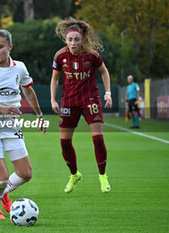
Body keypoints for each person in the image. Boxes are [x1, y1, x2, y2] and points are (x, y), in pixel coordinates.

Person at [0, 29, 45, 219]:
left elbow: (28, 92)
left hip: (10, 124)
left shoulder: (19, 68)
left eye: (0, 47)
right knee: (2, 177)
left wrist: (39, 115)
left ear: (9, 47)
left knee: (26, 173)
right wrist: (0, 108)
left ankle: (2, 193)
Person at [50, 17, 112, 193]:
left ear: (83, 39)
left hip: (90, 99)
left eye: (77, 39)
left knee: (98, 139)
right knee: (64, 143)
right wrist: (53, 99)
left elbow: (104, 72)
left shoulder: (92, 55)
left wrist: (108, 93)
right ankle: (74, 175)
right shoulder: (60, 56)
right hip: (69, 101)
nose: (73, 43)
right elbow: (54, 79)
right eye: (70, 39)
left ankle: (102, 176)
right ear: (65, 40)